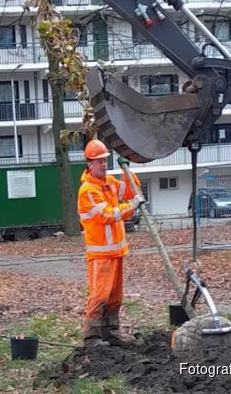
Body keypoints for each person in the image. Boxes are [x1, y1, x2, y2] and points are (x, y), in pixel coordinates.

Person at [77, 138, 145, 347]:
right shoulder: (88, 190)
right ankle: (92, 336)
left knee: (115, 297)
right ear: (89, 163)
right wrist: (131, 207)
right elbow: (107, 215)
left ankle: (111, 333)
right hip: (100, 254)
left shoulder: (109, 185)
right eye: (99, 161)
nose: (103, 165)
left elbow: (133, 189)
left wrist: (126, 170)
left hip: (116, 252)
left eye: (105, 160)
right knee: (100, 296)